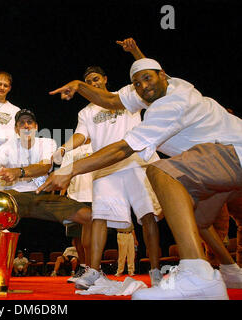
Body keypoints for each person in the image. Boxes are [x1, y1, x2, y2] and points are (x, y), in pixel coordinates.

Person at [40, 40, 242, 299]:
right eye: (137, 83)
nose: (143, 87)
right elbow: (112, 100)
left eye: (147, 79)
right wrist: (80, 87)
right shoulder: (160, 89)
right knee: (198, 220)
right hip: (221, 165)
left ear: (162, 75)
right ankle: (231, 270)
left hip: (231, 153)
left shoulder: (173, 103)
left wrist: (70, 170)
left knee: (161, 171)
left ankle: (198, 275)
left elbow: (123, 149)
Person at [0, 109, 92, 292]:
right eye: (21, 123)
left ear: (36, 127)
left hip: (42, 195)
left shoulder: (46, 142)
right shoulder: (8, 146)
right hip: (16, 197)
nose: (26, 126)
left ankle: (92, 270)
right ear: (16, 129)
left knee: (90, 216)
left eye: (29, 122)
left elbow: (45, 166)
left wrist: (18, 172)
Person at [52, 65, 162, 290]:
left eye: (96, 79)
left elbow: (153, 82)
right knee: (98, 217)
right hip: (104, 166)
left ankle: (156, 270)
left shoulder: (126, 95)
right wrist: (64, 148)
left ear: (104, 79)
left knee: (147, 216)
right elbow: (81, 136)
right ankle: (94, 272)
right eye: (89, 82)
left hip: (134, 159)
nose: (93, 84)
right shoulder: (85, 113)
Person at [58, 141, 94, 283]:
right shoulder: (71, 150)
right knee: (76, 237)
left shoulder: (98, 144)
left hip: (94, 196)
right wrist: (61, 196)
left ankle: (93, 269)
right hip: (73, 197)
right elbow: (64, 175)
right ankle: (83, 267)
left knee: (91, 238)